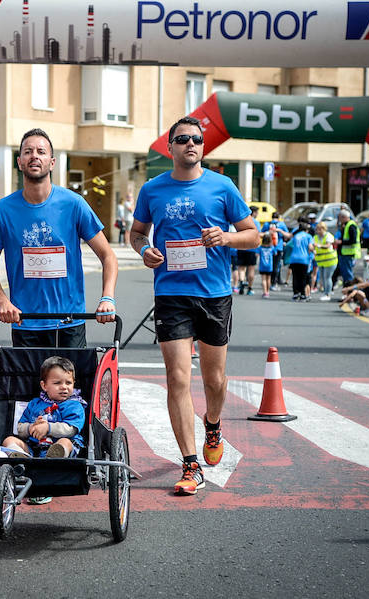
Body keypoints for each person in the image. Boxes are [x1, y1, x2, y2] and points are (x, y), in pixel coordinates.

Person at [130, 116, 260, 495]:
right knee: (177, 378)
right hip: (171, 294)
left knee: (214, 380)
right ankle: (190, 464)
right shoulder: (153, 190)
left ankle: (213, 422)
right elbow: (136, 233)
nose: (191, 144)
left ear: (203, 147)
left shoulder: (223, 186)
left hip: (214, 294)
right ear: (169, 147)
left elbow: (253, 236)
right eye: (183, 139)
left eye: (197, 140)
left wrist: (226, 237)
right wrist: (144, 251)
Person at [0, 129, 118, 347]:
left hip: (69, 322)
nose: (34, 155)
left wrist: (107, 297)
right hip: (25, 323)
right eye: (28, 151)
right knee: (30, 382)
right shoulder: (4, 210)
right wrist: (3, 302)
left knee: (69, 383)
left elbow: (107, 255)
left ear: (51, 162)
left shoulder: (73, 204)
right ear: (19, 162)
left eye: (41, 151)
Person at [2, 356, 85, 459]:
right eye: (57, 383)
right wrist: (31, 428)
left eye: (68, 383)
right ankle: (20, 457)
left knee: (65, 442)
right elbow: (20, 428)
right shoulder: (34, 404)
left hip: (61, 445)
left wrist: (48, 428)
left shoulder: (75, 405)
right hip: (34, 447)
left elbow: (71, 430)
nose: (64, 387)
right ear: (44, 385)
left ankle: (55, 456)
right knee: (9, 440)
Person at [236, 205, 261, 295]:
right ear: (253, 212)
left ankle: (242, 282)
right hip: (252, 249)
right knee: (251, 269)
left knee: (241, 268)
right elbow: (257, 235)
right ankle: (250, 288)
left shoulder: (241, 221)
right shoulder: (256, 222)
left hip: (241, 247)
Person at [262, 212, 291, 288]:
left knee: (269, 264)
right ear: (278, 217)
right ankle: (273, 283)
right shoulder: (281, 224)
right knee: (276, 265)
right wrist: (280, 232)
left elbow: (261, 234)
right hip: (278, 248)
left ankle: (268, 281)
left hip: (267, 247)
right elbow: (288, 235)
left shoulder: (267, 224)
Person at [289, 222, 314, 301]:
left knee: (295, 277)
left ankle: (296, 293)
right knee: (303, 277)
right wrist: (314, 251)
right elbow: (310, 247)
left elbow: (290, 244)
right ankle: (303, 294)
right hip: (304, 259)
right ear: (306, 230)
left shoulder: (296, 236)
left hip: (294, 258)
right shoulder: (308, 236)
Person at [334, 209, 360, 286]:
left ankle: (350, 291)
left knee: (348, 274)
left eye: (340, 218)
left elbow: (353, 240)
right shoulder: (346, 225)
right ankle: (347, 291)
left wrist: (340, 242)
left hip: (348, 253)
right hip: (344, 253)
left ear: (344, 217)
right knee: (345, 274)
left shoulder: (351, 225)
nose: (339, 220)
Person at [313, 222, 337, 301]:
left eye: (320, 229)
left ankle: (328, 294)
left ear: (324, 229)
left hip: (330, 260)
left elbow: (327, 245)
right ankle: (325, 292)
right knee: (323, 278)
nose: (318, 231)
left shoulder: (328, 236)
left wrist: (319, 246)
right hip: (321, 261)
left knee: (327, 277)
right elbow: (313, 246)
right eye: (317, 229)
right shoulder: (316, 237)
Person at [258, 233, 274, 298]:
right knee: (268, 279)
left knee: (263, 279)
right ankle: (268, 291)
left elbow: (256, 254)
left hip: (262, 266)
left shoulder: (260, 248)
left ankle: (264, 292)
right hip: (269, 266)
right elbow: (275, 253)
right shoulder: (272, 248)